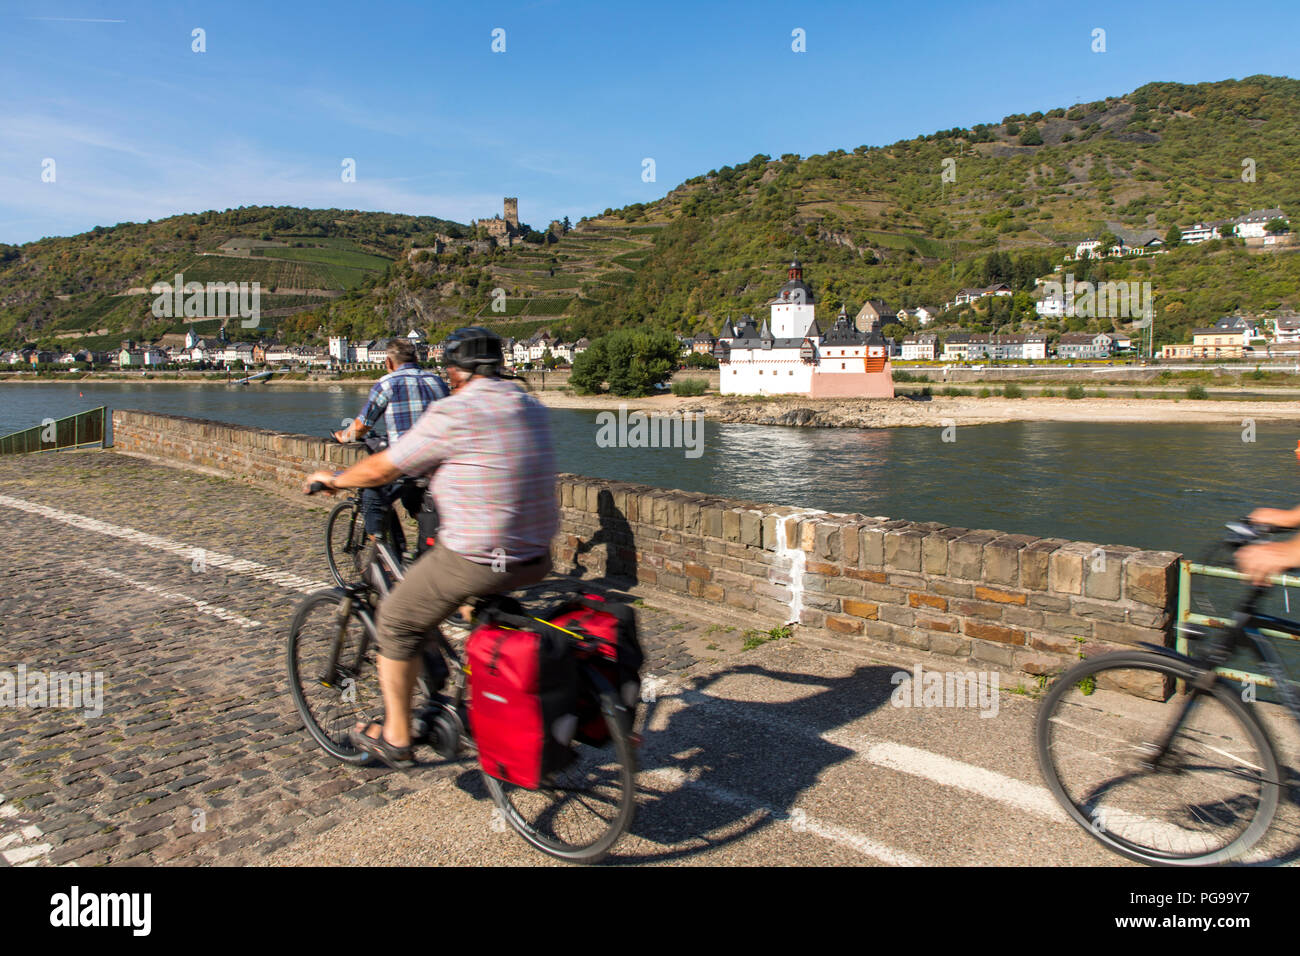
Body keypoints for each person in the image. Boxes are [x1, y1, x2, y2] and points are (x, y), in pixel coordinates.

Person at [305, 327, 558, 768]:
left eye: (450, 370)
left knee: (398, 620)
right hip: (536, 555)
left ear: (456, 371)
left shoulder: (456, 409)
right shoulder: (530, 405)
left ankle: (397, 737)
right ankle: (481, 694)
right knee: (462, 605)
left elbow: (386, 466)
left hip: (478, 556)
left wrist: (336, 480)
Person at [334, 338, 448, 547]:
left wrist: (343, 436)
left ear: (388, 362)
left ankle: (386, 559)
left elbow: (361, 426)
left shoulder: (387, 384)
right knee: (418, 504)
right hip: (438, 462)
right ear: (416, 358)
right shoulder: (437, 381)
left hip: (406, 463)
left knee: (373, 498)